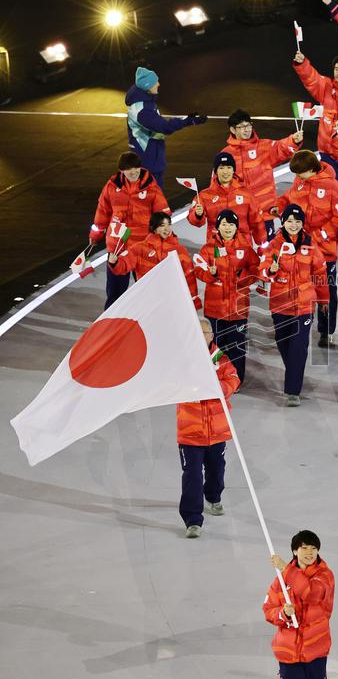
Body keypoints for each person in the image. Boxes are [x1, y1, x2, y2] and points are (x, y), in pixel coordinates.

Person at [263, 530, 335, 679]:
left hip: (316, 651)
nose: (309, 552)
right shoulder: (280, 580)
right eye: (303, 547)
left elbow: (311, 593)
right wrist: (284, 614)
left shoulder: (324, 576)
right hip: (289, 653)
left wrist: (287, 569)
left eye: (313, 548)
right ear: (295, 550)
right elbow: (268, 610)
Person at [258, 205, 329, 406]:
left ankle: (292, 391)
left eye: (298, 221)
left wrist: (323, 300)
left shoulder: (311, 245)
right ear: (283, 222)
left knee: (299, 348)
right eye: (290, 221)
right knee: (283, 344)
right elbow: (262, 273)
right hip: (280, 305)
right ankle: (294, 373)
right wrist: (270, 270)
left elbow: (320, 275)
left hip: (304, 306)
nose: (294, 225)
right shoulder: (273, 246)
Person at [175, 319, 240, 538]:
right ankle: (193, 519)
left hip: (217, 431)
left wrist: (217, 388)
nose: (202, 336)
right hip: (191, 431)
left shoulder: (219, 358)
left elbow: (233, 379)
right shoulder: (183, 359)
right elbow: (176, 384)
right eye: (198, 332)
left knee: (216, 470)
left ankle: (213, 497)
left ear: (211, 336)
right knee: (192, 474)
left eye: (205, 332)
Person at [276, 150, 338, 348]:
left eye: (301, 174)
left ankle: (326, 330)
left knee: (326, 290)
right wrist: (278, 206)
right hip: (300, 248)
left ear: (311, 169)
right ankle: (300, 325)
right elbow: (288, 198)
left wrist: (321, 235)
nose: (298, 178)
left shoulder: (332, 186)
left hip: (324, 250)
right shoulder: (299, 181)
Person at [89, 151, 170, 309]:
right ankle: (112, 326)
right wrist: (96, 234)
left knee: (148, 292)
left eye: (136, 168)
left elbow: (163, 214)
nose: (133, 172)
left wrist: (166, 238)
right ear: (121, 171)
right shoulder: (112, 186)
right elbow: (102, 210)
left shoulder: (151, 187)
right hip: (117, 248)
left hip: (143, 248)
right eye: (128, 169)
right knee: (115, 295)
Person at [193, 210, 260, 383]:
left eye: (231, 224)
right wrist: (211, 274)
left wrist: (241, 276)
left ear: (236, 226)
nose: (227, 228)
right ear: (218, 227)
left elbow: (256, 270)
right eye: (224, 224)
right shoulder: (208, 249)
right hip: (214, 309)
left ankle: (236, 380)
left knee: (237, 345)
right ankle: (214, 379)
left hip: (238, 309)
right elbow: (198, 269)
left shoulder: (246, 248)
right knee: (215, 346)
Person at [292, 50, 338, 198]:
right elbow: (312, 79)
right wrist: (302, 63)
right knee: (332, 194)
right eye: (336, 69)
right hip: (328, 155)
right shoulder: (326, 87)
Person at [219, 109, 303, 239]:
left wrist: (293, 141)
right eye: (241, 127)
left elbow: (281, 147)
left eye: (248, 125)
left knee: (267, 250)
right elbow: (218, 183)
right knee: (243, 251)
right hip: (240, 212)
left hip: (264, 211)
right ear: (233, 130)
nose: (246, 130)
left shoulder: (264, 146)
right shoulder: (226, 155)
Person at [125, 66, 207, 189]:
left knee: (155, 199)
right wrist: (188, 121)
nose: (158, 84)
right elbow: (164, 127)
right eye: (155, 82)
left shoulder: (146, 102)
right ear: (147, 86)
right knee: (149, 199)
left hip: (152, 158)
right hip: (146, 162)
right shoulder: (142, 110)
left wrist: (186, 120)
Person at [108, 211, 200, 309]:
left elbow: (189, 276)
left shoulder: (179, 250)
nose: (167, 229)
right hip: (148, 301)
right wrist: (115, 263)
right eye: (162, 225)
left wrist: (194, 299)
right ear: (154, 228)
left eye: (169, 225)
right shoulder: (140, 248)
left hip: (173, 300)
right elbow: (124, 265)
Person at [187, 152, 265, 247]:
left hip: (243, 247)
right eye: (221, 168)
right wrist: (197, 215)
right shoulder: (204, 195)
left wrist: (262, 243)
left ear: (233, 170)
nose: (225, 172)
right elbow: (194, 220)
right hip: (216, 247)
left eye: (229, 167)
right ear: (215, 171)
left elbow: (257, 220)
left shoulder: (246, 194)